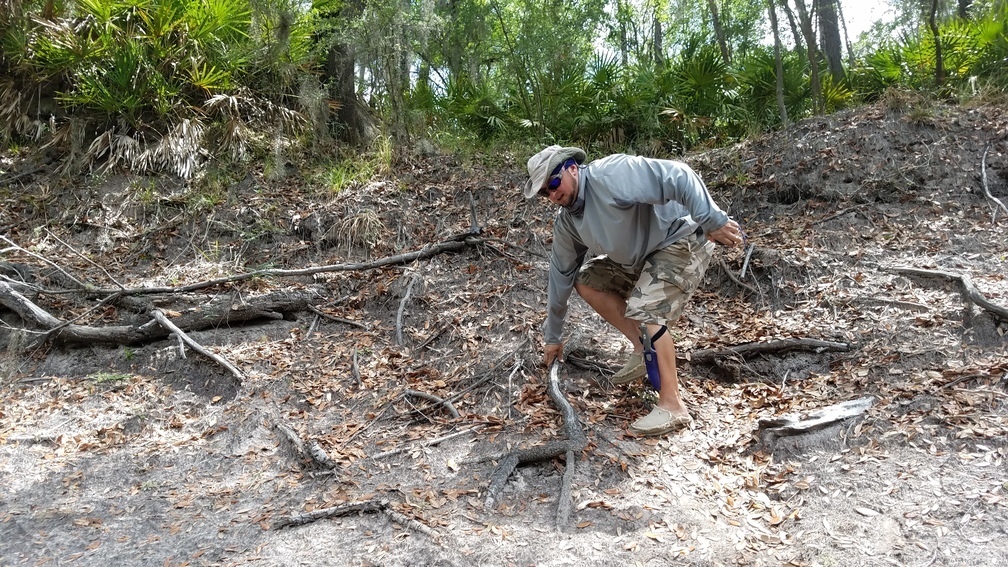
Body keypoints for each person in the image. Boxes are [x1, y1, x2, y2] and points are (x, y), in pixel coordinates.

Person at [523, 145, 744, 436]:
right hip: (642, 257)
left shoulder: (610, 176)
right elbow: (560, 275)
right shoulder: (568, 222)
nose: (552, 195)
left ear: (572, 169)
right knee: (587, 279)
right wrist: (553, 337)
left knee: (647, 308)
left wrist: (712, 220)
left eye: (553, 183)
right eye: (544, 192)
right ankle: (643, 348)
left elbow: (678, 175)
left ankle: (673, 405)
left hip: (681, 238)